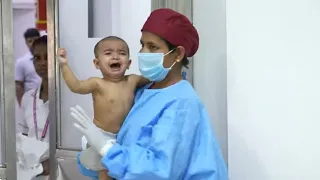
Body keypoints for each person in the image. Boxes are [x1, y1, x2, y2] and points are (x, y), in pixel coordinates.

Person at [72, 8, 228, 180]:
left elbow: (158, 171)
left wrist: (106, 148)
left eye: (152, 47)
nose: (143, 52)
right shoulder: (144, 92)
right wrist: (94, 149)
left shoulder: (182, 103)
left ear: (178, 53)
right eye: (142, 44)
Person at [57, 36, 149, 180]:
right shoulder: (97, 83)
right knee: (105, 170)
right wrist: (64, 65)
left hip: (124, 136)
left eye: (122, 53)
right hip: (100, 136)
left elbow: (154, 80)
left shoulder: (133, 80)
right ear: (97, 63)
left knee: (122, 169)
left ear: (129, 63)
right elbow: (76, 86)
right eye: (108, 53)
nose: (115, 56)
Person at [17, 35, 50, 180]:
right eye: (37, 58)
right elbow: (23, 136)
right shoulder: (28, 98)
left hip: (60, 170)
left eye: (47, 57)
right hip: (33, 173)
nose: (42, 63)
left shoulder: (68, 99)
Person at [15, 28, 42, 105]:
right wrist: (22, 105)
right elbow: (18, 85)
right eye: (30, 41)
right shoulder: (21, 62)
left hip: (49, 101)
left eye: (35, 40)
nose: (33, 43)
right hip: (31, 103)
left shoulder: (49, 59)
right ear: (26, 43)